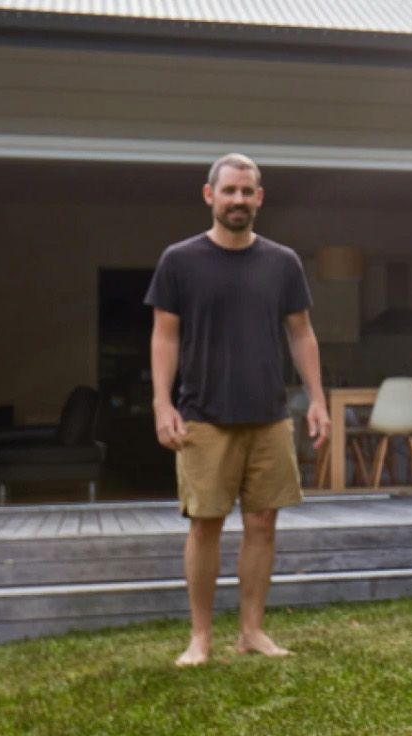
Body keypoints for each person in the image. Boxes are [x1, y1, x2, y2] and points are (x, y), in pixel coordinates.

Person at [146, 153, 329, 666]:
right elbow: (164, 336)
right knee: (205, 524)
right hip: (203, 415)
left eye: (247, 191)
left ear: (260, 198)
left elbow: (302, 333)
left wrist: (317, 399)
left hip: (269, 414)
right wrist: (161, 403)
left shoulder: (282, 262)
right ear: (210, 195)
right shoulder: (179, 261)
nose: (238, 200)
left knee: (263, 522)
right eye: (229, 190)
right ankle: (200, 638)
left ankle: (251, 632)